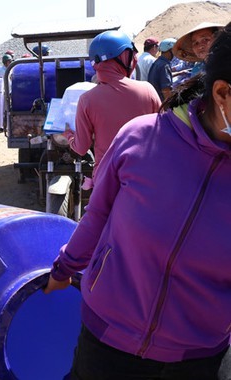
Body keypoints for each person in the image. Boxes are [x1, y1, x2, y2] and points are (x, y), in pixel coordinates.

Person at [45, 22, 231, 380]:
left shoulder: (88, 100)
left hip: (195, 355)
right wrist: (65, 268)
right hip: (108, 338)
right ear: (222, 93)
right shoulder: (142, 131)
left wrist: (63, 271)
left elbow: (83, 159)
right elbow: (99, 216)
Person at [62, 30, 161, 185]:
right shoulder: (148, 90)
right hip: (144, 178)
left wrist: (69, 135)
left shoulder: (87, 100)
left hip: (106, 182)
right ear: (124, 56)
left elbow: (81, 148)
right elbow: (163, 136)